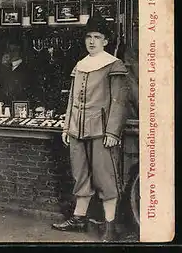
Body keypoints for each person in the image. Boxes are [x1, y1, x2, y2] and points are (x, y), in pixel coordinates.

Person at [51, 13, 129, 241]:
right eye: (88, 37)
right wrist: (67, 127)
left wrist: (113, 131)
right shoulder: (80, 65)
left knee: (105, 178)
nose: (92, 41)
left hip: (102, 132)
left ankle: (110, 226)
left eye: (97, 37)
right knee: (80, 176)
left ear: (105, 41)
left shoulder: (114, 65)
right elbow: (71, 100)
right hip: (77, 130)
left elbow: (119, 101)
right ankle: (79, 218)